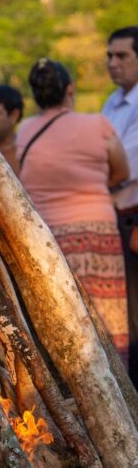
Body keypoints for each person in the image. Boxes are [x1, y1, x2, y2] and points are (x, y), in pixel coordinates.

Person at [18, 58, 129, 364]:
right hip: (97, 231)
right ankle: (117, 381)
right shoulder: (97, 125)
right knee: (107, 313)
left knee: (65, 315)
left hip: (47, 237)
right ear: (70, 89)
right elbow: (121, 172)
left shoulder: (25, 130)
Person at [103, 26, 138, 384]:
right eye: (110, 56)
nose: (113, 63)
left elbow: (125, 162)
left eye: (122, 56)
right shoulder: (112, 102)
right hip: (115, 210)